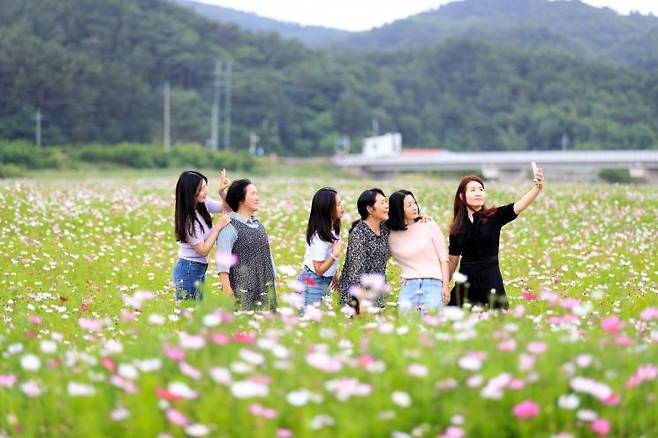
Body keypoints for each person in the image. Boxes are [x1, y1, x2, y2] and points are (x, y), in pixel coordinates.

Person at [447, 169, 544, 309]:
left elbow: (520, 205)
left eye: (481, 189)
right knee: (454, 320)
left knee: (497, 321)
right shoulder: (457, 227)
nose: (479, 193)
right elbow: (452, 261)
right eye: (473, 190)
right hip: (466, 281)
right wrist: (444, 286)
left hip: (490, 279)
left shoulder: (494, 216)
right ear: (462, 196)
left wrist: (537, 188)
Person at [215, 179, 277, 311]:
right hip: (242, 290)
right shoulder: (230, 226)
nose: (257, 198)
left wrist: (274, 278)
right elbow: (222, 261)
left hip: (264, 286)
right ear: (240, 199)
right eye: (253, 194)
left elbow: (267, 254)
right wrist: (227, 289)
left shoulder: (259, 225)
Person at [387, 190, 450, 316]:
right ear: (399, 209)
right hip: (409, 285)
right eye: (409, 205)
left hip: (433, 283)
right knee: (406, 323)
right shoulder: (390, 233)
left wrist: (445, 287)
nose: (415, 207)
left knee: (432, 321)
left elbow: (444, 258)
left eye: (414, 203)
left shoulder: (428, 224)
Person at [173, 170, 231, 300]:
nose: (205, 192)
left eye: (205, 188)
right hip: (188, 270)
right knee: (187, 314)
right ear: (190, 192)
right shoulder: (189, 220)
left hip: (197, 269)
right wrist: (218, 225)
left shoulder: (202, 203)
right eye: (201, 189)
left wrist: (222, 192)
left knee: (196, 314)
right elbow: (202, 250)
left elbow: (227, 208)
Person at [337, 188, 389, 314]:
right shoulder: (359, 234)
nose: (386, 206)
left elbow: (405, 219)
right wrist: (360, 303)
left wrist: (421, 216)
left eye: (386, 202)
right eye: (382, 203)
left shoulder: (384, 228)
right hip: (357, 298)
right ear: (370, 209)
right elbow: (355, 272)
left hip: (376, 293)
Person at [297, 187, 345, 310]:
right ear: (327, 209)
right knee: (310, 320)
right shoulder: (319, 236)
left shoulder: (333, 229)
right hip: (312, 282)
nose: (342, 207)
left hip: (323, 281)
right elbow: (318, 269)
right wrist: (335, 254)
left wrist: (334, 275)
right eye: (338, 204)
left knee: (320, 319)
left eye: (341, 203)